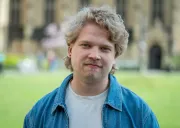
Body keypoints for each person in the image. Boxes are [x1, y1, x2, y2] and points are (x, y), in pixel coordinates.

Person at [24, 6, 159, 128]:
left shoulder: (140, 115)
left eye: (104, 48)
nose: (94, 55)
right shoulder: (38, 115)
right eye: (86, 45)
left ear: (115, 57)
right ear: (70, 50)